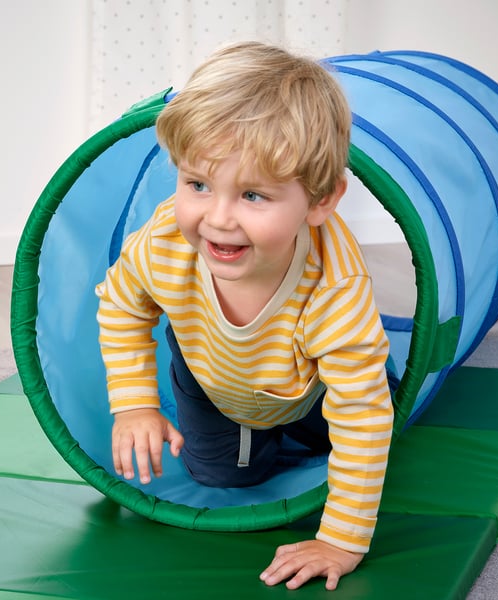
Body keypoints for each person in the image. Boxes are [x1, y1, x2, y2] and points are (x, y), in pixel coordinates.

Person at [95, 41, 394, 591]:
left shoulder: (335, 289)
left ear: (321, 201)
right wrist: (134, 403)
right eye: (198, 184)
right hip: (215, 380)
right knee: (222, 479)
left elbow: (361, 415)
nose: (218, 218)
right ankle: (266, 438)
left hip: (307, 382)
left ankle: (350, 401)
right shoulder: (164, 240)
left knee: (372, 424)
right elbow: (121, 303)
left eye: (253, 195)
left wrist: (341, 539)